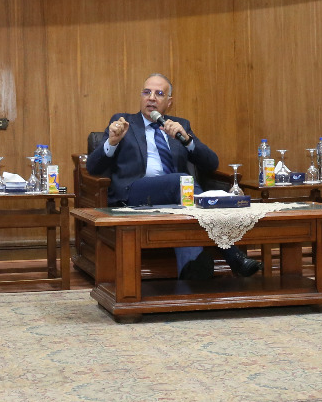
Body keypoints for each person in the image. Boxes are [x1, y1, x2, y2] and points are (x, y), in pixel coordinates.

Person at [85, 73, 263, 280]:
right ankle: (233, 256)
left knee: (185, 209)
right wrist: (112, 142)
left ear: (169, 102)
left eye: (159, 94)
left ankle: (192, 275)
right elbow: (93, 167)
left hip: (178, 197)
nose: (151, 98)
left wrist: (187, 140)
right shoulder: (124, 122)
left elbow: (211, 163)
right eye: (147, 92)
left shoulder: (180, 125)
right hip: (134, 193)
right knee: (182, 182)